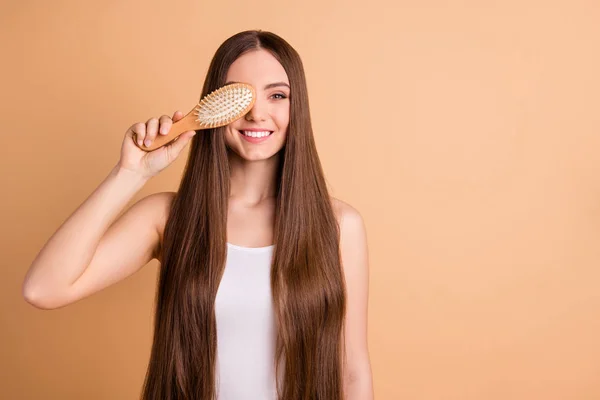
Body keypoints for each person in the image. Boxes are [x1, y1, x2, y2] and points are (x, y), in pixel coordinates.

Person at [22, 30, 373, 400]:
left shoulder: (338, 227)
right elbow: (43, 288)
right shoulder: (169, 218)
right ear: (213, 106)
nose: (256, 113)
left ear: (297, 106)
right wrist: (130, 173)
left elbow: (352, 371)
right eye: (240, 97)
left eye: (277, 95)